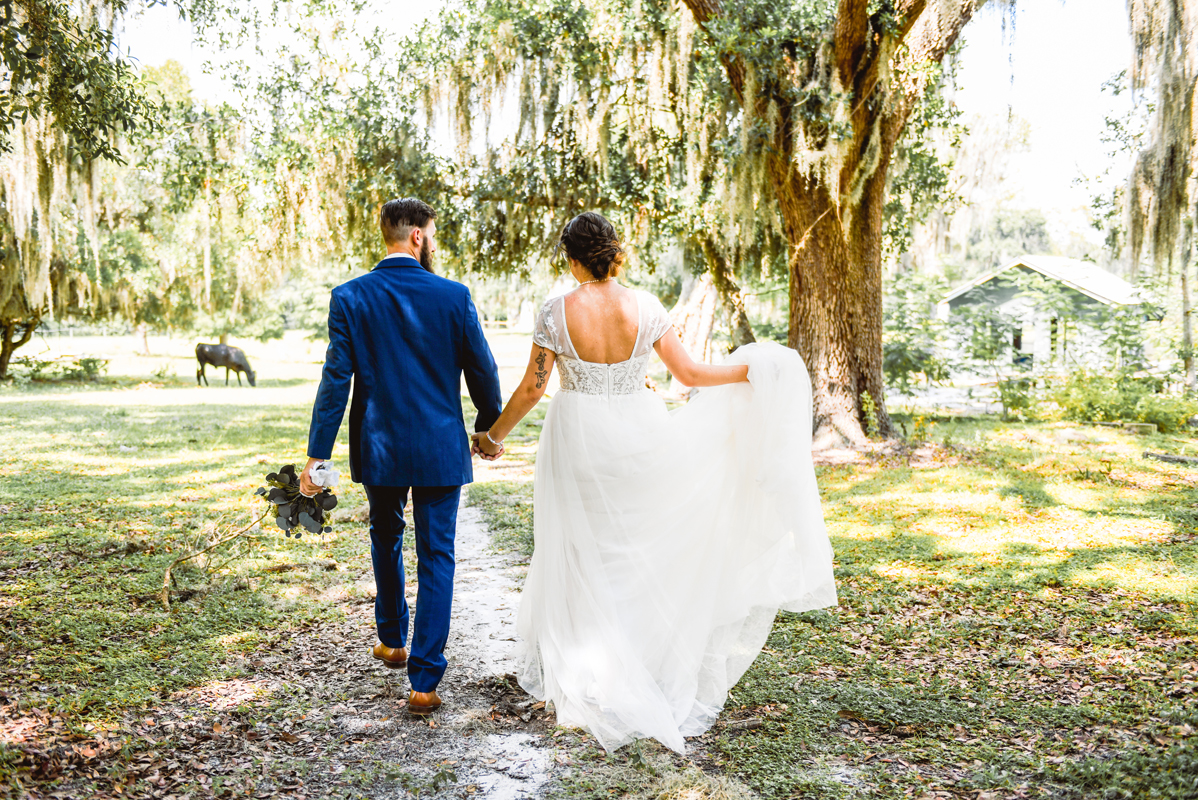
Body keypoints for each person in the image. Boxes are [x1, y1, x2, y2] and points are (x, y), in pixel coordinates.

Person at [471, 212, 837, 753]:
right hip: (639, 426)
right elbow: (689, 375)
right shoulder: (647, 307)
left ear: (572, 259)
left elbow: (531, 388)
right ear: (613, 254)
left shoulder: (556, 310)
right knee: (633, 545)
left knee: (580, 546)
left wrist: (493, 436)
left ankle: (586, 668)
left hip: (577, 432)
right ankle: (635, 659)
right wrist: (749, 370)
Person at [302, 197, 503, 716]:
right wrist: (487, 427)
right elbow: (483, 371)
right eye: (431, 234)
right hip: (439, 448)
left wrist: (317, 459)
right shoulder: (454, 297)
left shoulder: (350, 297)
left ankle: (392, 639)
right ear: (417, 236)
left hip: (381, 448)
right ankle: (424, 682)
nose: (432, 242)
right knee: (437, 555)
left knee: (386, 534)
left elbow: (334, 384)